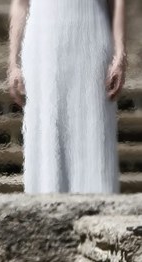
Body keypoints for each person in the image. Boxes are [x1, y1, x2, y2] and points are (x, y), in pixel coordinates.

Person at [8, 0, 125, 194]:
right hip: (42, 45)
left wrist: (120, 55)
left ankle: (98, 206)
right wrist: (13, 62)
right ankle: (44, 208)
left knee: (94, 133)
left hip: (92, 39)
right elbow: (20, 3)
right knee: (47, 135)